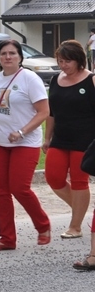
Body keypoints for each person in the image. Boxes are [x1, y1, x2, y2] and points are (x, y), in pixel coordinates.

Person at [0, 39, 51, 251]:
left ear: (20, 57)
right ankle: (7, 238)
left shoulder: (29, 79)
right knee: (1, 191)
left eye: (12, 53)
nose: (8, 57)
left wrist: (22, 131)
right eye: (3, 54)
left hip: (25, 142)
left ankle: (43, 225)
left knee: (19, 188)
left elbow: (44, 112)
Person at [44, 40, 95, 244]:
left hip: (85, 139)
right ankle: (80, 209)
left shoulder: (91, 80)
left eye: (67, 61)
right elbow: (51, 112)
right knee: (53, 178)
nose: (63, 65)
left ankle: (75, 226)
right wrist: (47, 137)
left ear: (78, 60)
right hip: (60, 138)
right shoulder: (55, 80)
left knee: (79, 181)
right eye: (60, 61)